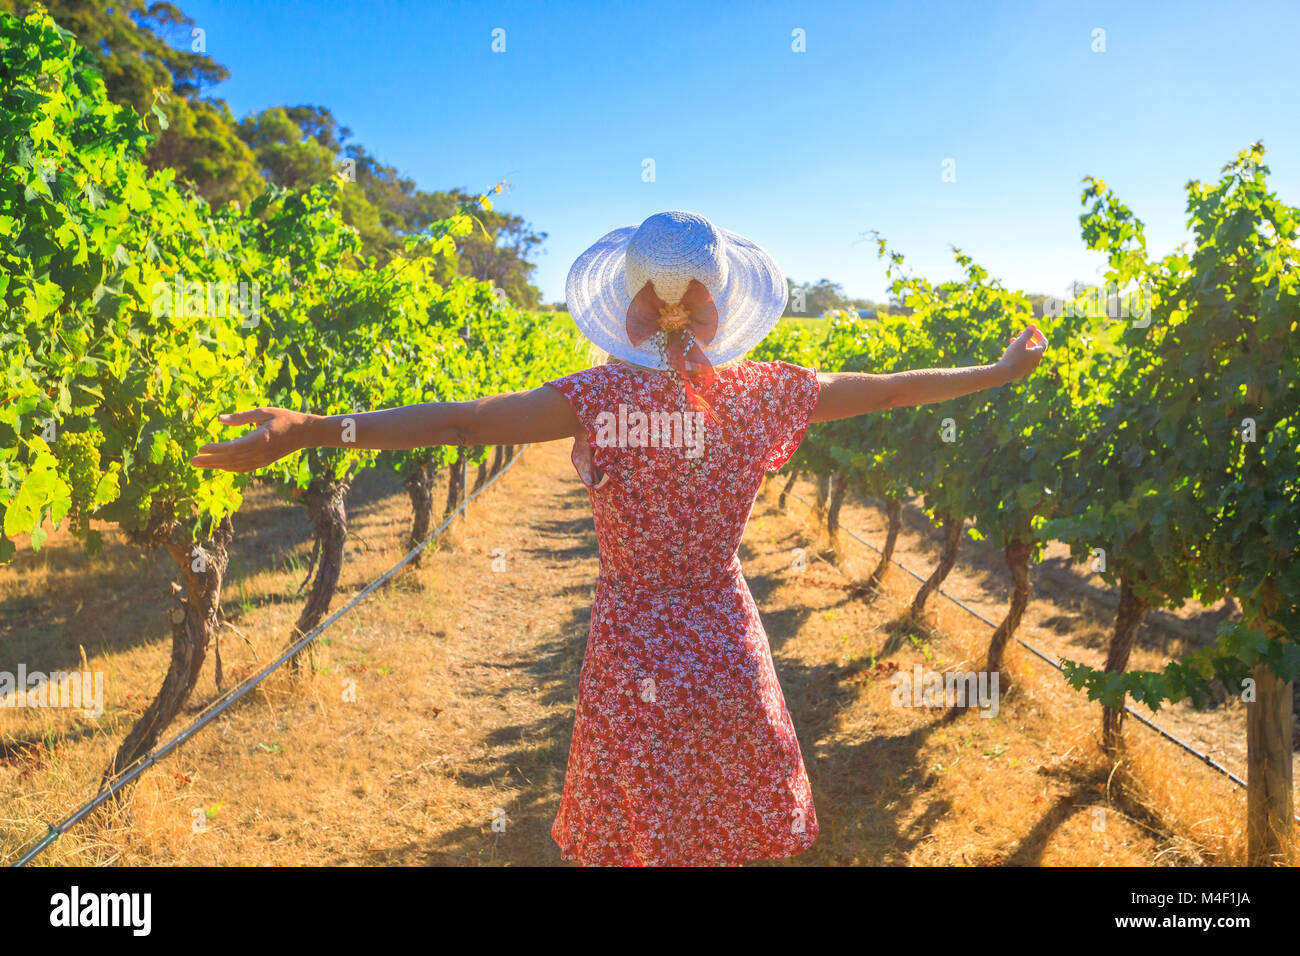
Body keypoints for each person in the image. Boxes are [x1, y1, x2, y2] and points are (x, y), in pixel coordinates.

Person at [191, 210, 1047, 865]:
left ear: (633, 300)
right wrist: (1002, 373)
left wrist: (312, 428)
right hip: (723, 633)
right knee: (723, 819)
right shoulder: (766, 393)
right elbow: (896, 390)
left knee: (643, 825)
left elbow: (461, 421)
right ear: (720, 301)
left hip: (633, 637)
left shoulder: (596, 400)